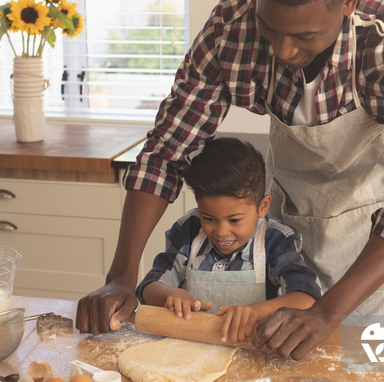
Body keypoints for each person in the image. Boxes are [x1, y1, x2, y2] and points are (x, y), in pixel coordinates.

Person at [76, 0, 384, 360]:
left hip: (373, 246)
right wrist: (120, 277)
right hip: (287, 222)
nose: (282, 51)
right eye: (268, 29)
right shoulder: (231, 25)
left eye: (305, 36)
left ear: (349, 2)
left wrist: (326, 311)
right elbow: (166, 153)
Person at [137, 137, 321, 344]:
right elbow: (149, 286)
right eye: (209, 218)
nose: (222, 232)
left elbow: (306, 297)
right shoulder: (188, 230)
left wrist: (259, 311)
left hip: (251, 349)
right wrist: (170, 295)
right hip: (191, 347)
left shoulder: (276, 240)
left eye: (234, 220)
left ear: (263, 206)